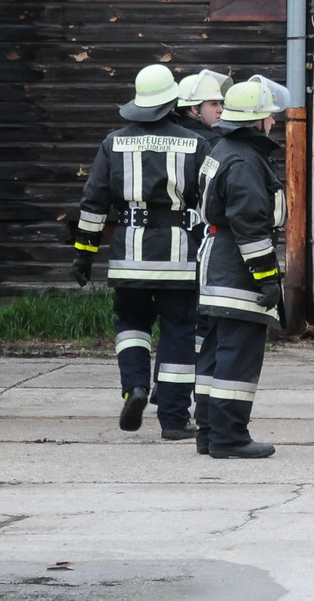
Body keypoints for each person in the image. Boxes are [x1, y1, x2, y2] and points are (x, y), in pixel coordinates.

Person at [73, 64, 205, 439]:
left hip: (128, 255)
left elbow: (93, 203)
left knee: (131, 325)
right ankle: (175, 420)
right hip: (178, 258)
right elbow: (213, 199)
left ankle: (134, 387)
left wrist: (83, 254)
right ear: (172, 101)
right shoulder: (195, 143)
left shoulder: (113, 143)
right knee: (179, 331)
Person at [194, 76, 288, 458]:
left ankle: (209, 433)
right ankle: (229, 438)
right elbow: (250, 224)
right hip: (237, 267)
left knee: (214, 351)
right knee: (238, 352)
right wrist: (268, 278)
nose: (274, 123)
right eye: (270, 117)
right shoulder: (245, 160)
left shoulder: (224, 148)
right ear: (257, 121)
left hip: (217, 262)